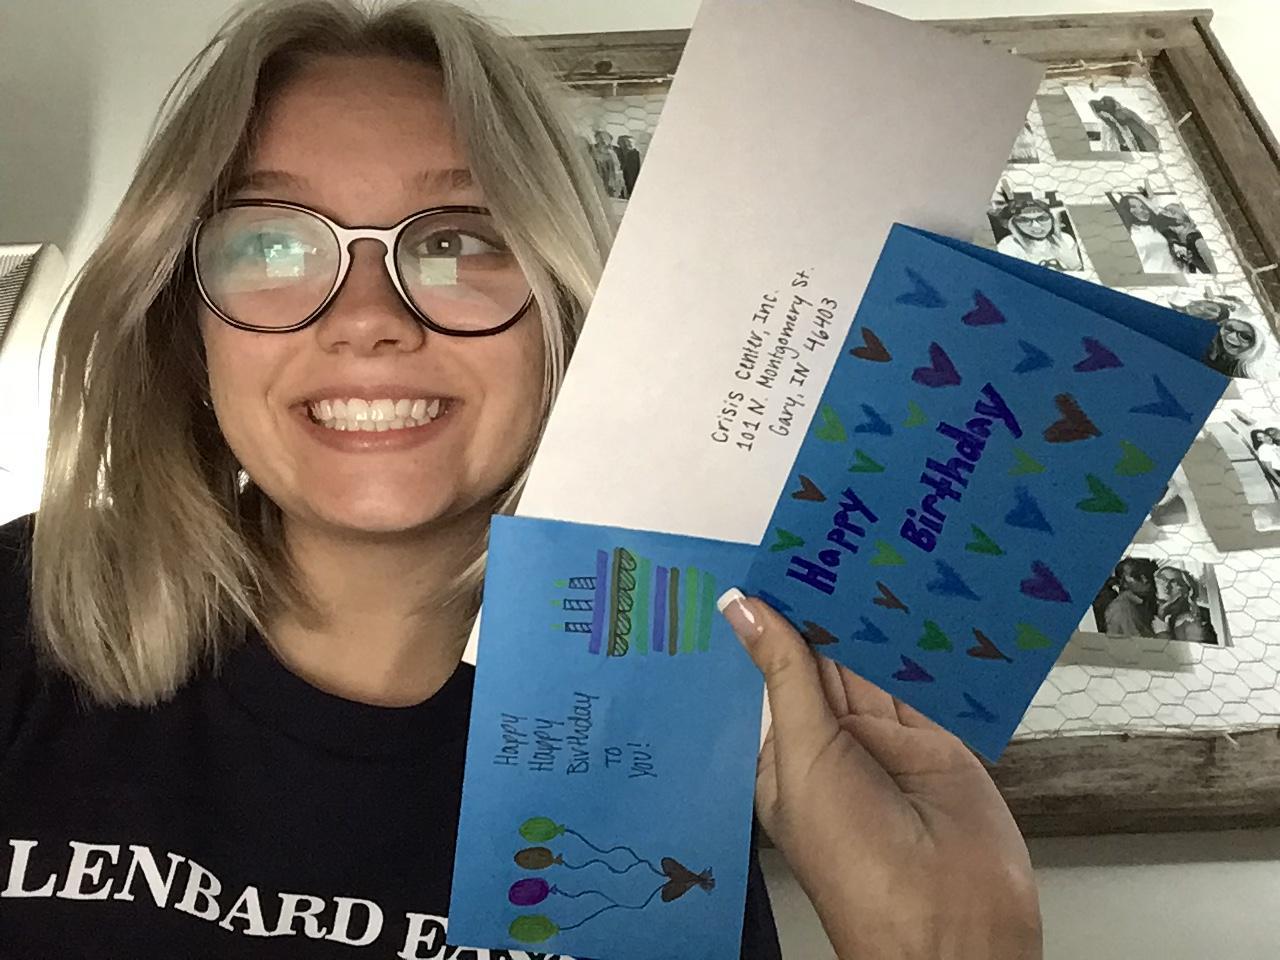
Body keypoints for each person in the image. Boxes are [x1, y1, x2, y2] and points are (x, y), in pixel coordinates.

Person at [0, 1, 1043, 957]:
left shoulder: (668, 753)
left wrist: (948, 948)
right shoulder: (21, 603)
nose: (366, 318)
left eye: (457, 241)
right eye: (274, 242)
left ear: (564, 312)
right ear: (186, 327)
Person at [995, 198, 1083, 271]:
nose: (1036, 226)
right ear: (1013, 224)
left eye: (1043, 218)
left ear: (1052, 219)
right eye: (1024, 220)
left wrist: (1074, 265)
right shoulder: (1008, 245)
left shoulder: (1065, 238)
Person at [1115, 193, 1180, 274]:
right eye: (1133, 207)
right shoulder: (1129, 234)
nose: (1141, 210)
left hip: (1173, 271)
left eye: (1142, 206)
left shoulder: (1154, 227)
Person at [1153, 567, 1218, 645]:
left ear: (1187, 589)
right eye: (1162, 581)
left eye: (1173, 582)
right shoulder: (1150, 613)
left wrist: (1163, 633)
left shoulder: (1196, 618)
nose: (1166, 586)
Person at [1101, 558, 1158, 638]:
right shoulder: (1120, 609)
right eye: (1136, 576)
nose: (1145, 580)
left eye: (1147, 574)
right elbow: (1135, 642)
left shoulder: (1145, 602)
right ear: (1123, 582)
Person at [1088, 94, 1159, 152]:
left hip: (1144, 141)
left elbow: (1139, 128)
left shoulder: (1121, 113)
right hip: (1141, 140)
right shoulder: (1113, 116)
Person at [1161, 202, 1216, 274]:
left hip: (1193, 235)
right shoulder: (1164, 223)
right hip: (1186, 241)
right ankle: (1204, 271)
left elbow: (1186, 213)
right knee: (1193, 257)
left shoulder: (1172, 208)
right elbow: (1170, 236)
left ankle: (1208, 271)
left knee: (1199, 254)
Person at [589, 128, 625, 199]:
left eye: (605, 138)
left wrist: (613, 181)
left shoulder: (611, 153)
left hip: (607, 176)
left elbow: (615, 168)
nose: (603, 140)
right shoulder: (592, 150)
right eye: (600, 138)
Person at [614, 133, 642, 199]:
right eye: (623, 142)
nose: (626, 144)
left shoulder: (635, 154)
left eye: (628, 142)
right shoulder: (617, 152)